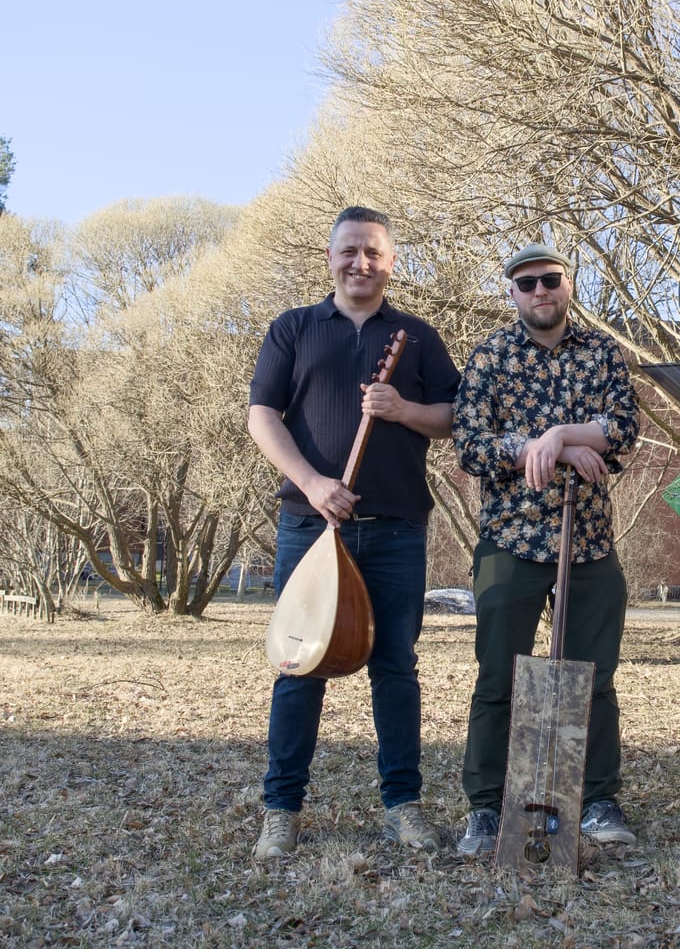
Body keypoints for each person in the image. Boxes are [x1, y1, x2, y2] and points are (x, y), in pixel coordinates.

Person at [247, 206, 461, 861]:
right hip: (310, 526)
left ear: (391, 262)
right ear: (331, 256)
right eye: (349, 251)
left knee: (395, 668)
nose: (360, 263)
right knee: (298, 666)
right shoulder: (294, 329)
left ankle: (403, 806)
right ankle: (282, 810)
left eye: (373, 251)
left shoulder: (418, 338)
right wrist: (312, 483)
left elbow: (453, 416)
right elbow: (262, 417)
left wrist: (404, 409)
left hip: (396, 528)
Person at [452, 242, 640, 857]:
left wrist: (557, 434)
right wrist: (551, 447)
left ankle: (595, 799)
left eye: (550, 280)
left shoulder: (603, 353)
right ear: (511, 292)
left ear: (567, 285)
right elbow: (472, 446)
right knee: (498, 677)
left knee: (594, 677)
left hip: (587, 540)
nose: (540, 291)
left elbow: (623, 430)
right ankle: (486, 806)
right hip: (511, 538)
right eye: (526, 283)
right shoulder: (490, 358)